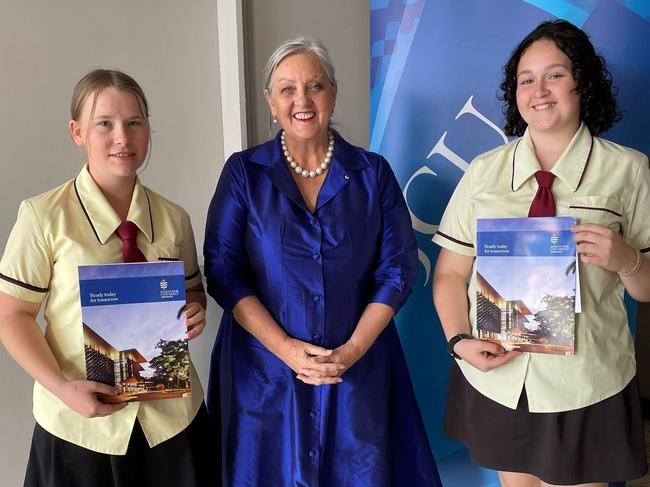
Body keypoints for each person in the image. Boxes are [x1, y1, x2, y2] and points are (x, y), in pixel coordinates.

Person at [204, 36, 441, 486]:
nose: (302, 100)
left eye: (314, 86)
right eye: (287, 89)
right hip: (264, 372)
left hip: (357, 369)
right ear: (270, 101)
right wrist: (287, 350)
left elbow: (398, 270)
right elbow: (223, 271)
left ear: (333, 94)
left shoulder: (374, 174)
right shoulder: (243, 174)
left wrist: (349, 352)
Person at [432, 19, 650, 487]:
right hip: (503, 377)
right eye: (525, 80)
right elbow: (450, 274)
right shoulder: (484, 172)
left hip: (586, 382)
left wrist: (626, 259)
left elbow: (647, 288)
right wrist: (458, 341)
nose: (539, 90)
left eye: (555, 74)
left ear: (582, 83)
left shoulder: (628, 171)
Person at [0, 69, 216, 486]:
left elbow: (193, 291)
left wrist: (194, 311)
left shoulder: (174, 219)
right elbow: (12, 317)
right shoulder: (43, 218)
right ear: (76, 131)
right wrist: (63, 389)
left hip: (171, 425)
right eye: (105, 124)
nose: (123, 137)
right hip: (80, 428)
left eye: (135, 122)